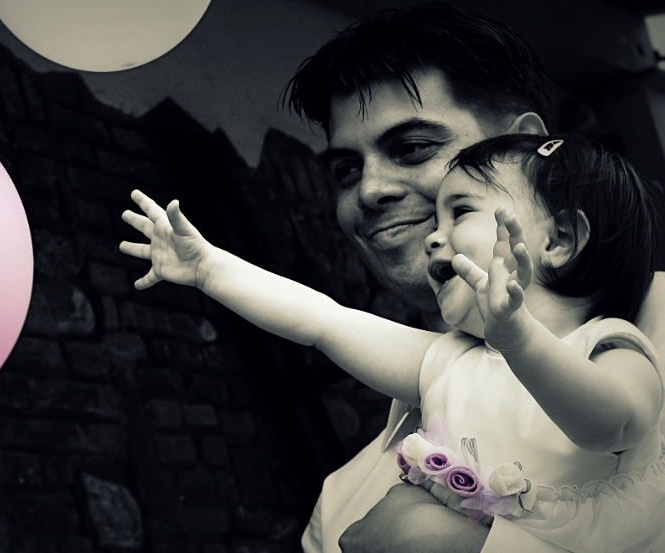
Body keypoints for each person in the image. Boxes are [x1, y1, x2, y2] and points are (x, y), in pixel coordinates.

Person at [118, 131, 665, 552]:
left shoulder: (609, 345)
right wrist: (211, 269)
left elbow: (614, 425)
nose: (432, 235)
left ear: (560, 239)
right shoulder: (449, 360)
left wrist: (520, 338)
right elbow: (324, 321)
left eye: (461, 211)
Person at [277, 4, 665, 552]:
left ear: (522, 145)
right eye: (346, 170)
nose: (369, 190)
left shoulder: (639, 352)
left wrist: (459, 546)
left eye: (413, 147)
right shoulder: (340, 504)